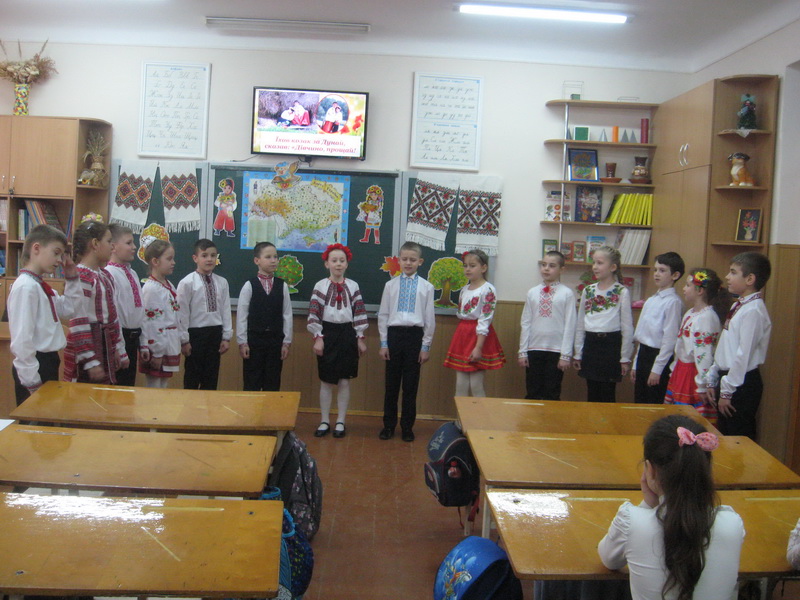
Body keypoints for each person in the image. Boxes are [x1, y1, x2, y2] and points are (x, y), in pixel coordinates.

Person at [598, 415, 744, 600]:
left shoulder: (631, 521)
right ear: (704, 468)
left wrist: (649, 505)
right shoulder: (732, 523)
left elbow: (609, 559)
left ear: (650, 470)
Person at [8, 225, 80, 404]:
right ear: (36, 248)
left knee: (46, 417)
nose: (59, 260)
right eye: (56, 253)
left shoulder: (39, 285)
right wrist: (31, 381)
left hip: (48, 361)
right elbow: (22, 340)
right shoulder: (26, 287)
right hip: (35, 365)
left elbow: (69, 309)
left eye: (61, 255)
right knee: (34, 418)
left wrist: (72, 279)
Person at [706, 251, 772, 439]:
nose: (727, 277)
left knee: (738, 438)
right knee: (724, 437)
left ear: (750, 279)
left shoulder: (754, 310)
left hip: (740, 382)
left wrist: (727, 392)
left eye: (733, 272)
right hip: (728, 378)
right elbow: (726, 345)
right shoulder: (739, 305)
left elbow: (743, 354)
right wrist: (714, 374)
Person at [307, 243, 368, 438]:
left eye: (342, 260)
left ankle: (341, 421)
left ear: (347, 264)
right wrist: (318, 337)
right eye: (334, 260)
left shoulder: (353, 286)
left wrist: (360, 337)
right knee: (326, 381)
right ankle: (324, 420)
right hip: (327, 333)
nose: (338, 264)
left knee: (344, 380)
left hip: (347, 334)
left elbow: (359, 312)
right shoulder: (320, 286)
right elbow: (314, 313)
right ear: (327, 264)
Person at [377, 241, 435, 442]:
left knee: (410, 386)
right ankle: (388, 425)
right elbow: (383, 315)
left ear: (420, 262)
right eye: (404, 259)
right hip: (394, 336)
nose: (408, 263)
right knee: (391, 386)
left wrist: (425, 346)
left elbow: (429, 319)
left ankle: (407, 427)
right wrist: (384, 343)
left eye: (412, 260)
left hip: (414, 337)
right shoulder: (390, 285)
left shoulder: (427, 287)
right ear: (399, 261)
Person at [63, 219, 128, 385]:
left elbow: (113, 316)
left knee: (104, 392)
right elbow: (78, 320)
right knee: (86, 393)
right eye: (108, 241)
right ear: (95, 244)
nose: (112, 246)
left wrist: (118, 348)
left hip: (104, 341)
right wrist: (90, 360)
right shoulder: (82, 277)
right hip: (88, 343)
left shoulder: (105, 275)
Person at [573, 246, 633, 403]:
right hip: (591, 345)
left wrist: (625, 357)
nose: (595, 267)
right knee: (592, 392)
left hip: (611, 346)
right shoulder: (588, 291)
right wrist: (578, 352)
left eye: (599, 263)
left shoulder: (621, 291)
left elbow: (627, 327)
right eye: (594, 262)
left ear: (613, 267)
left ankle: (607, 420)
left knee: (607, 393)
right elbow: (580, 324)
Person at [664, 269, 726, 421]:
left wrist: (702, 384)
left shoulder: (706, 317)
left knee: (691, 420)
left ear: (700, 290)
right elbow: (680, 346)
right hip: (682, 370)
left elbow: (704, 354)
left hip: (693, 375)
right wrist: (674, 370)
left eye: (687, 285)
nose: (684, 288)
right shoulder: (691, 313)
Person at [444, 249, 506, 397]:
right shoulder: (465, 289)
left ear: (483, 268)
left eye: (472, 266)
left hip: (478, 336)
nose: (468, 269)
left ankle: (479, 413)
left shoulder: (488, 289)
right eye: (465, 266)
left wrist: (478, 347)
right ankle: (461, 413)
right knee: (460, 384)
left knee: (476, 384)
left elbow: (485, 318)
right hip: (463, 334)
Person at [518, 251, 576, 400]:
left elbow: (570, 324)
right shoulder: (532, 292)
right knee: (533, 390)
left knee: (552, 392)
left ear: (562, 269)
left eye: (552, 266)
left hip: (556, 350)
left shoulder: (567, 293)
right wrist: (523, 351)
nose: (546, 268)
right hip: (534, 348)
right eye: (543, 265)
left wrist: (565, 354)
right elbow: (526, 322)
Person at [177, 239, 232, 390]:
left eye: (213, 255)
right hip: (195, 335)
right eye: (204, 255)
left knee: (211, 377)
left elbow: (225, 310)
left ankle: (209, 405)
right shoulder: (187, 283)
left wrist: (226, 337)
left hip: (215, 334)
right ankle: (191, 405)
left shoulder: (222, 282)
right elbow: (182, 313)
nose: (209, 259)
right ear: (195, 258)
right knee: (192, 377)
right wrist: (184, 340)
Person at [237, 241, 293, 392]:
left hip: (275, 341)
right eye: (268, 257)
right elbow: (242, 315)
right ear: (257, 260)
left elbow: (287, 315)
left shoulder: (282, 286)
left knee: (272, 382)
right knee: (252, 381)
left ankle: (271, 408)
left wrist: (286, 342)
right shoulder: (249, 285)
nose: (273, 260)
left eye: (275, 257)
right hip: (254, 340)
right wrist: (242, 342)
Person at [631, 252, 684, 404]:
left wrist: (657, 370)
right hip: (644, 355)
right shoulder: (651, 300)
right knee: (640, 401)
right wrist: (636, 364)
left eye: (662, 270)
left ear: (675, 275)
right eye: (655, 270)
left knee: (653, 401)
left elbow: (669, 340)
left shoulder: (673, 302)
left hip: (658, 357)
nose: (656, 274)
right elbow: (642, 336)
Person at [139, 239, 182, 388]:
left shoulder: (168, 285)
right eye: (169, 259)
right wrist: (157, 352)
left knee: (163, 387)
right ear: (155, 261)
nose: (173, 262)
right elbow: (152, 323)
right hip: (158, 348)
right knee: (154, 388)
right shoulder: (151, 289)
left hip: (168, 345)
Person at [105, 223, 144, 386]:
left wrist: (143, 343)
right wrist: (120, 349)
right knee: (118, 388)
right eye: (129, 243)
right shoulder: (109, 274)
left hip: (134, 337)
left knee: (129, 387)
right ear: (113, 247)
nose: (134, 247)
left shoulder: (132, 273)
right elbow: (114, 314)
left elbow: (140, 310)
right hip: (121, 338)